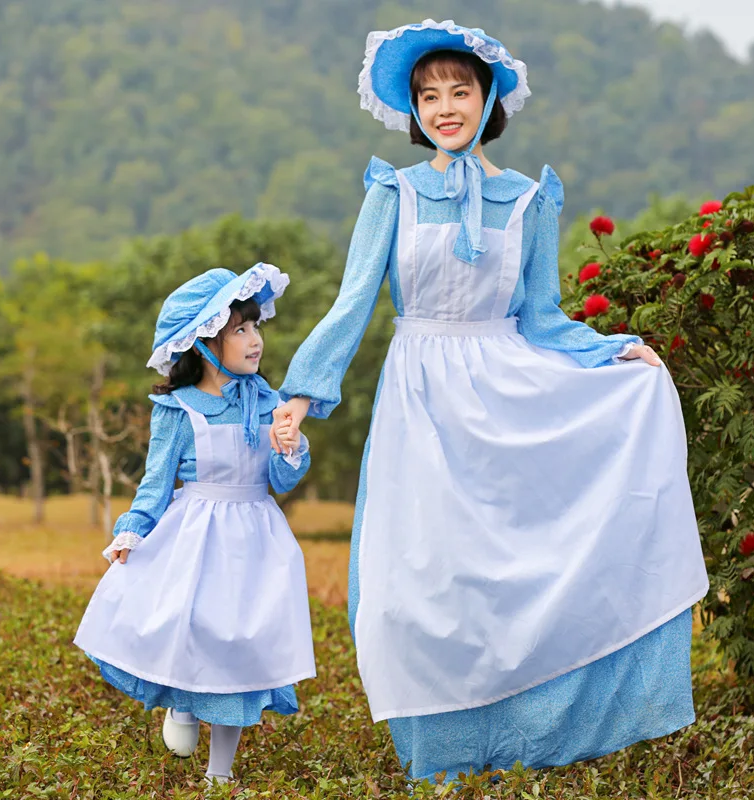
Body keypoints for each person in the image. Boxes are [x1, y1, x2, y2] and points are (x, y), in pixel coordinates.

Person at [270, 20, 709, 784]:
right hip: (421, 393)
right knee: (419, 581)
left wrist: (613, 352)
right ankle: (438, 752)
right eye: (429, 95)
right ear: (414, 109)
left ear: (489, 97)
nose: (445, 107)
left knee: (509, 573)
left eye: (459, 91)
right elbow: (354, 303)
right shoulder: (394, 192)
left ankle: (532, 736)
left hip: (506, 388)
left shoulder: (530, 198)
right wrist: (303, 393)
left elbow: (542, 315)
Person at [75, 264, 315, 789]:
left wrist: (289, 443)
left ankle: (219, 775)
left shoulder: (268, 401)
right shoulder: (178, 409)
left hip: (255, 540)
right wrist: (131, 531)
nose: (256, 340)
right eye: (241, 330)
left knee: (238, 646)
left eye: (256, 327)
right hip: (196, 538)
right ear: (205, 342)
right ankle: (182, 702)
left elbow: (284, 478)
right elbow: (155, 483)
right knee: (192, 627)